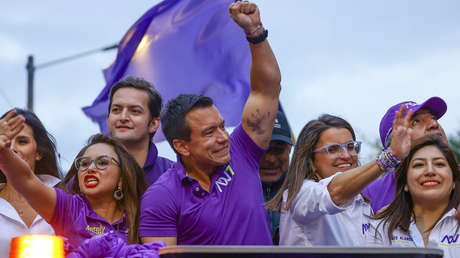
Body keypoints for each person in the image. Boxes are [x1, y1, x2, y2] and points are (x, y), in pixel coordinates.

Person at [139, 0, 281, 245]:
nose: (223, 137)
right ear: (182, 146)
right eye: (208, 132)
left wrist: (255, 32)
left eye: (221, 126)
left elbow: (267, 90)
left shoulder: (242, 150)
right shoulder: (162, 196)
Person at [267, 107, 412, 246]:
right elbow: (334, 192)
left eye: (350, 147)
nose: (346, 156)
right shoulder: (301, 194)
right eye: (333, 149)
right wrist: (389, 157)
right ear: (311, 161)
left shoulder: (362, 202)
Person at [0, 116, 147, 251]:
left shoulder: (140, 218)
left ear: (121, 177)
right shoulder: (68, 208)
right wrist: (3, 151)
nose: (90, 168)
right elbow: (25, 179)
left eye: (102, 162)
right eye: (84, 163)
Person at [366, 136, 460, 258]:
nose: (430, 171)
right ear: (405, 184)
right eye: (419, 165)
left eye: (439, 164)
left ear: (453, 182)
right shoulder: (381, 225)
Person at [363, 96, 448, 213]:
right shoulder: (370, 195)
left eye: (433, 118)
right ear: (395, 141)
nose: (434, 124)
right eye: (415, 122)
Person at [0, 109, 62, 257]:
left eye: (22, 141)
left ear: (39, 153)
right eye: (5, 141)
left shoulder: (67, 196)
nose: (12, 148)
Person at [107, 76, 174, 185]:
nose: (123, 117)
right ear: (108, 118)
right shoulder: (84, 177)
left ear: (153, 124)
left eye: (134, 111)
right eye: (116, 110)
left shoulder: (175, 177)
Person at [259, 109, 293, 244]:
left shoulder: (309, 191)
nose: (270, 159)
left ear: (290, 150)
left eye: (278, 150)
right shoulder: (225, 191)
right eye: (262, 150)